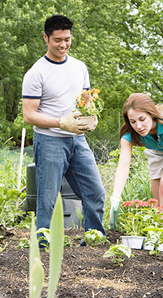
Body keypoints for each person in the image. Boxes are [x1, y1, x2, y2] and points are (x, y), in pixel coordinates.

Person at [21, 15, 106, 243]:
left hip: (77, 140)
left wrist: (91, 117)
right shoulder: (36, 73)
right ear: (46, 38)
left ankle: (93, 241)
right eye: (58, 40)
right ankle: (43, 245)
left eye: (67, 39)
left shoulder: (80, 67)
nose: (63, 45)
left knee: (95, 193)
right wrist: (60, 122)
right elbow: (29, 115)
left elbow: (86, 100)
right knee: (48, 199)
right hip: (49, 141)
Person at [107, 93, 163, 234]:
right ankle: (159, 241)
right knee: (159, 202)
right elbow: (123, 166)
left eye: (142, 119)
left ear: (152, 114)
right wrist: (116, 197)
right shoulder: (129, 134)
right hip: (156, 151)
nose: (139, 126)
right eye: (133, 121)